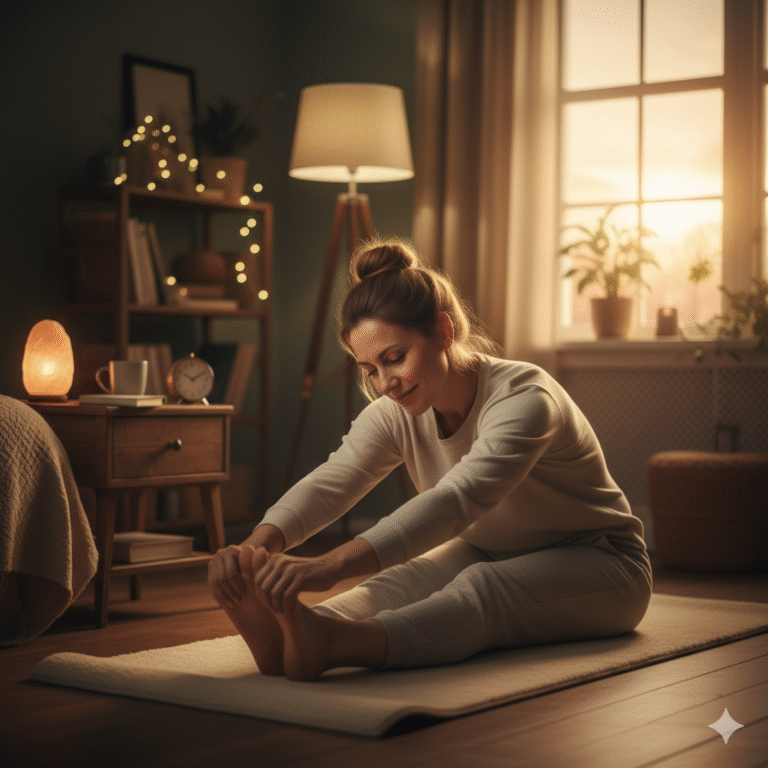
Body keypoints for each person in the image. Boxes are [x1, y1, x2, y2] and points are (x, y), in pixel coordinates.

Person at [208, 238, 652, 682]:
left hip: (603, 562)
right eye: (369, 369)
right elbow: (333, 480)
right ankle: (290, 637)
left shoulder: (524, 397)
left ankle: (333, 644)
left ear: (443, 331)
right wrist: (254, 551)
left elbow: (455, 500)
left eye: (394, 358)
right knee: (399, 582)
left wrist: (328, 565)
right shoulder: (396, 412)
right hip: (489, 549)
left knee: (483, 591)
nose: (385, 383)